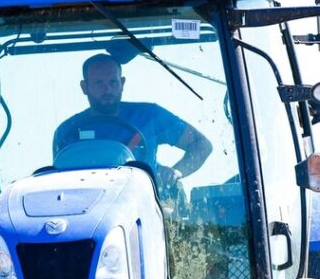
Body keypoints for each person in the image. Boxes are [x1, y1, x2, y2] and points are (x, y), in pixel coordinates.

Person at [52, 54, 212, 184]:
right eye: (99, 83)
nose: (107, 89)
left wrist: (177, 172)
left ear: (122, 83)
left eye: (113, 82)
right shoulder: (67, 132)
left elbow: (202, 144)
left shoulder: (150, 116)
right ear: (84, 87)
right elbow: (60, 183)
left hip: (143, 207)